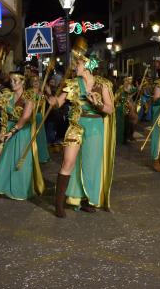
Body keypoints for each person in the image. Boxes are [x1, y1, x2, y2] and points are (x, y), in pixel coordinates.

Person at [47, 38, 116, 218]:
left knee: (91, 164)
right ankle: (59, 204)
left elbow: (110, 109)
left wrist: (98, 105)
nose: (74, 66)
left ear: (86, 65)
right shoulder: (72, 83)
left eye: (77, 63)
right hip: (76, 125)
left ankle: (87, 200)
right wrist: (49, 99)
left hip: (95, 127)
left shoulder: (103, 84)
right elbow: (58, 102)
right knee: (68, 162)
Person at [0, 72, 45, 200]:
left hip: (22, 131)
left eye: (16, 81)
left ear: (23, 82)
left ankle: (17, 188)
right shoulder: (7, 95)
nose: (12, 83)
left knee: (18, 160)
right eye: (11, 81)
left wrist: (13, 131)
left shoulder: (29, 96)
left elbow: (25, 117)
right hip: (6, 127)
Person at [30, 74, 50, 163]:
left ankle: (41, 156)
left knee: (40, 137)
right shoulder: (29, 92)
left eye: (37, 81)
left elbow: (50, 101)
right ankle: (32, 156)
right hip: (31, 117)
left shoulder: (42, 93)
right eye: (34, 81)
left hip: (39, 116)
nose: (36, 83)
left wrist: (49, 93)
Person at [115, 76, 137, 144]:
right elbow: (116, 98)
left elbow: (134, 91)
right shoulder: (121, 88)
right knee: (122, 124)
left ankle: (128, 136)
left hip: (129, 107)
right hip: (121, 108)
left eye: (131, 80)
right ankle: (121, 139)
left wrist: (137, 89)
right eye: (128, 80)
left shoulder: (132, 87)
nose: (130, 81)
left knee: (130, 122)